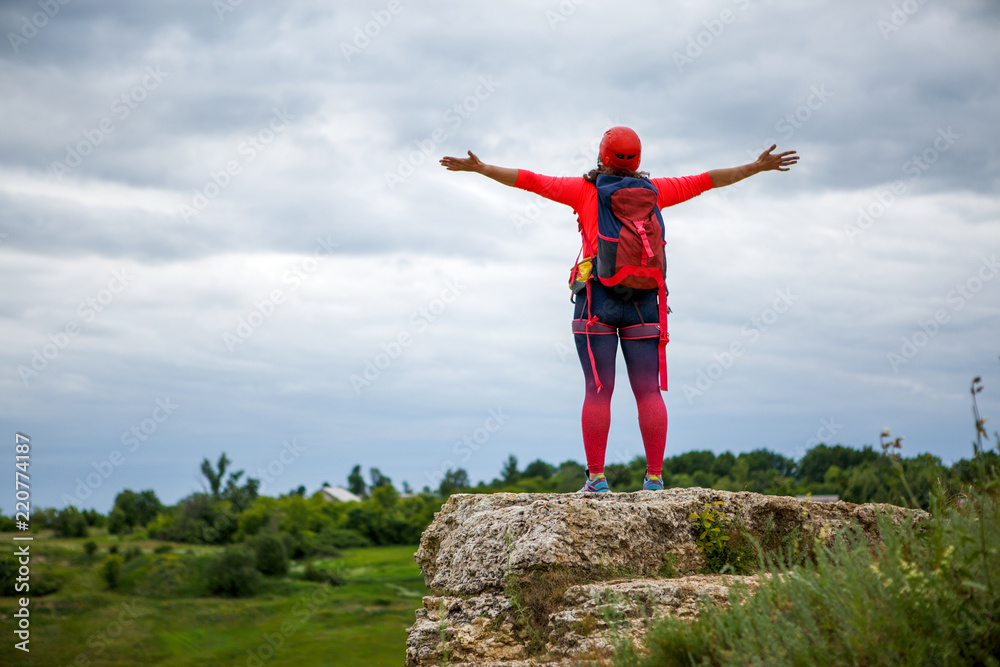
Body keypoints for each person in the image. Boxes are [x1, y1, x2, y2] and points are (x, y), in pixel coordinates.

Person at [440, 127, 798, 493]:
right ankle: (655, 479)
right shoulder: (657, 191)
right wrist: (756, 167)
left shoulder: (584, 190)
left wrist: (482, 168)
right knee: (648, 392)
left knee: (598, 391)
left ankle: (596, 479)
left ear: (601, 156)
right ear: (638, 159)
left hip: (597, 299)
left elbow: (530, 181)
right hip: (646, 303)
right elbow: (707, 180)